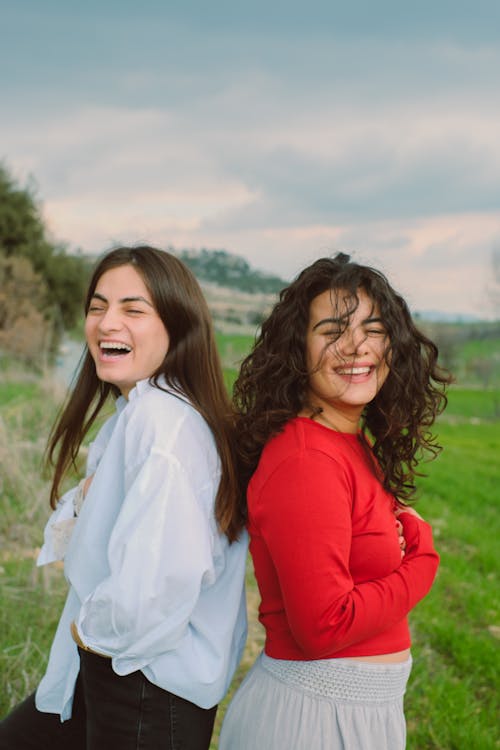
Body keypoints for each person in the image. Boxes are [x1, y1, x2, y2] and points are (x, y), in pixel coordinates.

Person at [0, 246, 248, 750]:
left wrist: (88, 633)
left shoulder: (163, 424)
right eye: (98, 306)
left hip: (145, 688)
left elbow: (151, 591)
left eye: (133, 309)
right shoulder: (135, 415)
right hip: (108, 671)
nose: (107, 323)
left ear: (177, 327)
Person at [219, 253, 451, 750]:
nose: (356, 346)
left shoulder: (348, 441)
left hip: (351, 715)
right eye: (331, 331)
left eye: (373, 328)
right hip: (310, 722)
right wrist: (423, 561)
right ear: (296, 349)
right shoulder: (306, 459)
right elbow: (324, 626)